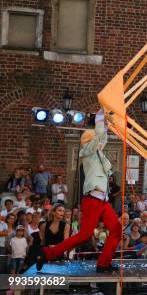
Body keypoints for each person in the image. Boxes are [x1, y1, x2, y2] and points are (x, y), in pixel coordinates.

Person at [36, 109, 122, 273]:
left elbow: (102, 138)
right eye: (96, 139)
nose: (101, 142)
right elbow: (98, 137)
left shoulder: (100, 155)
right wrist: (99, 119)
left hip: (102, 200)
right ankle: (47, 253)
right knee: (84, 234)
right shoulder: (87, 152)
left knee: (116, 229)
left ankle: (103, 263)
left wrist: (107, 122)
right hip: (92, 199)